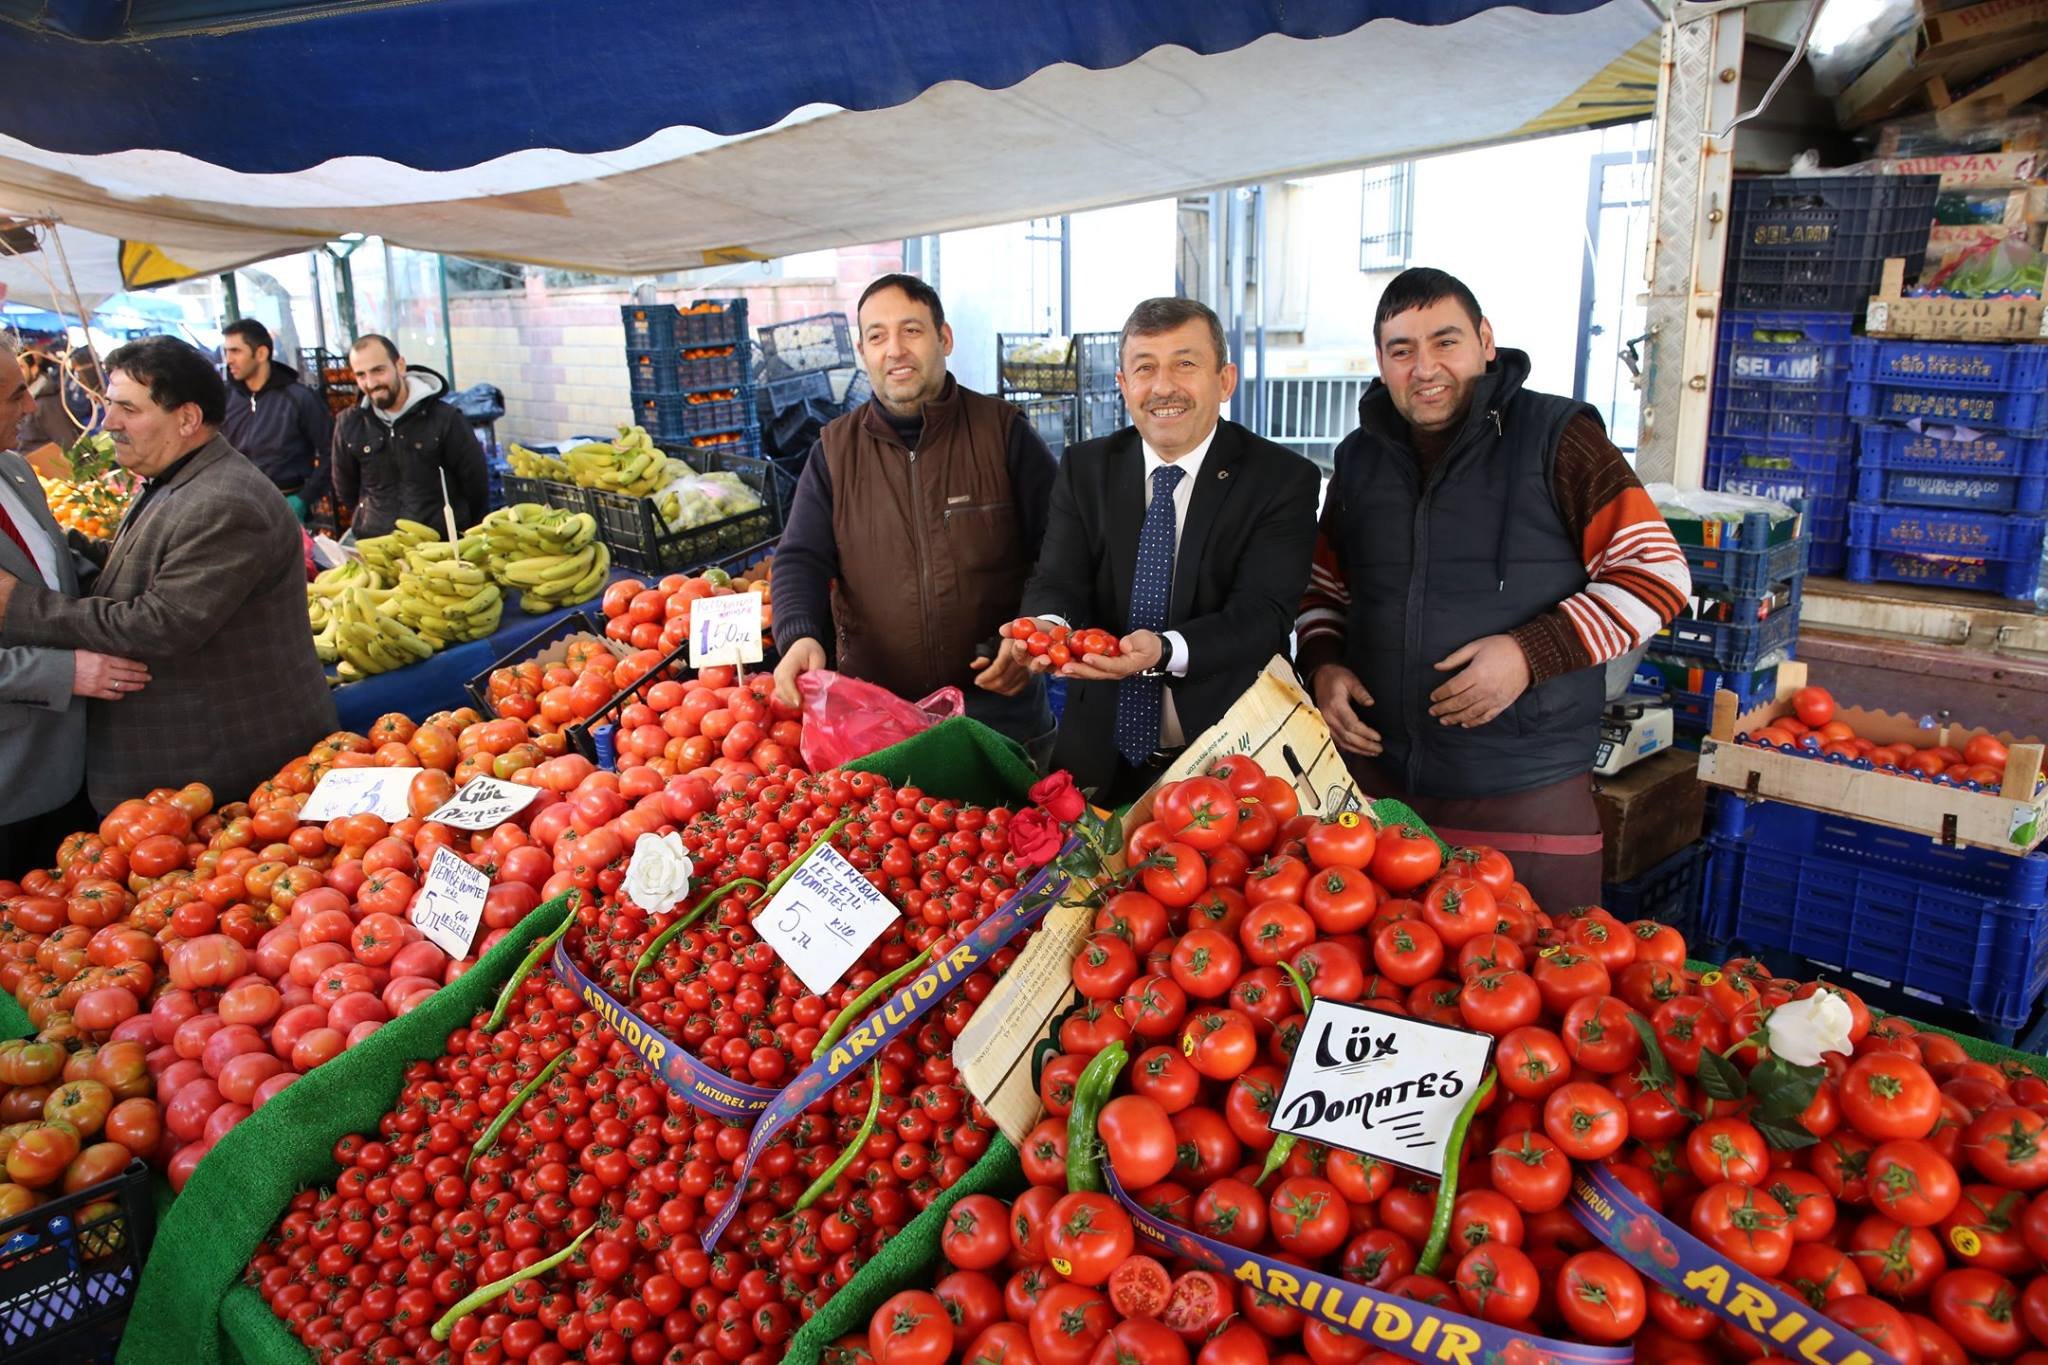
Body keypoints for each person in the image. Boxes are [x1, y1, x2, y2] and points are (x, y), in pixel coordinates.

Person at [1297, 267, 1692, 912]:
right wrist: (1324, 666)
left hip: (1524, 794)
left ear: (1485, 341)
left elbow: (1656, 573)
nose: (1424, 367)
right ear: (1382, 361)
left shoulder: (1558, 436)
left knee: (1537, 985)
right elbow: (1322, 590)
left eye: (1445, 342)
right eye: (1402, 350)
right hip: (1375, 798)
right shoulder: (1359, 457)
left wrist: (1529, 653)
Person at [0, 335, 337, 814]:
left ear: (186, 419)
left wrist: (16, 604)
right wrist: (52, 545)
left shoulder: (224, 500)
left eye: (127, 410)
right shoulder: (175, 474)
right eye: (109, 406)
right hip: (183, 765)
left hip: (219, 766)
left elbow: (160, 624)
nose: (109, 423)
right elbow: (133, 561)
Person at [1008, 297, 1319, 803]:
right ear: (1124, 386)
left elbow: (1263, 614)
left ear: (1225, 380)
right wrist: (1049, 627)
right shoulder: (1087, 469)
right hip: (1097, 757)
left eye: (1185, 363)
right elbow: (1057, 580)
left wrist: (1164, 650)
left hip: (1230, 759)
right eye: (1144, 368)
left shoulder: (1282, 479)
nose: (1163, 386)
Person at [770, 274, 1059, 750]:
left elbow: (1061, 550)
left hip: (1000, 707)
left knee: (1027, 825)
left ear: (943, 339)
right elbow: (800, 557)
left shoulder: (1002, 433)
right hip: (879, 715)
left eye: (912, 330)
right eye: (878, 336)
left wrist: (1033, 634)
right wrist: (798, 634)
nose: (895, 350)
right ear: (863, 351)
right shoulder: (834, 451)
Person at [0, 344, 153, 872]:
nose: (29, 407)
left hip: (71, 763)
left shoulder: (15, 471)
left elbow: (54, 557)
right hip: (10, 782)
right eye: (15, 394)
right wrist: (66, 671)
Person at [332, 334, 488, 538]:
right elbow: (345, 488)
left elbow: (476, 486)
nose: (370, 383)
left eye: (378, 370)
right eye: (361, 375)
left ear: (400, 366)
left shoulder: (445, 419)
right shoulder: (349, 423)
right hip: (377, 547)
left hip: (439, 551)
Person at [220, 318, 334, 523]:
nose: (228, 359)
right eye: (226, 351)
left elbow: (332, 452)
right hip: (236, 508)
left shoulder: (300, 398)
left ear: (261, 353)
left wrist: (304, 498)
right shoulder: (224, 398)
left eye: (236, 351)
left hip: (287, 506)